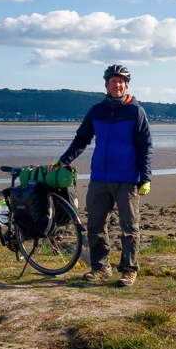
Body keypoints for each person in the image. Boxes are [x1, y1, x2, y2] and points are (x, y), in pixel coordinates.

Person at [55, 64, 152, 287]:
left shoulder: (136, 111)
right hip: (99, 177)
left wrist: (145, 177)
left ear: (126, 85)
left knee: (130, 227)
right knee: (96, 226)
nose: (116, 85)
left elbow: (145, 146)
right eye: (112, 82)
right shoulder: (97, 111)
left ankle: (129, 270)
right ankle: (100, 268)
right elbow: (81, 139)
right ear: (106, 85)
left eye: (120, 82)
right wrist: (63, 161)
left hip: (127, 178)